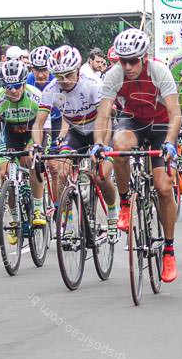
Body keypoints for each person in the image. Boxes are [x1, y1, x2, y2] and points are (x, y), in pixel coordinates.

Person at [91, 29, 182, 282]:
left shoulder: (159, 71)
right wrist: (99, 143)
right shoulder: (114, 75)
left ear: (144, 57)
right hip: (133, 122)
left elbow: (176, 113)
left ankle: (169, 250)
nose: (128, 66)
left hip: (161, 126)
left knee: (164, 188)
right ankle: (125, 202)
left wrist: (171, 143)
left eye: (133, 61)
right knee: (118, 147)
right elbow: (103, 114)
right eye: (123, 60)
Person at [32, 45, 118, 239]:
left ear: (78, 70)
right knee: (61, 171)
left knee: (101, 175)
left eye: (69, 75)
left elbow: (104, 118)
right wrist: (37, 146)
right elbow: (38, 123)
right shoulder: (51, 90)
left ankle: (113, 212)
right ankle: (67, 220)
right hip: (77, 132)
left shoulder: (92, 84)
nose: (64, 81)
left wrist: (100, 145)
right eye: (59, 76)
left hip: (101, 128)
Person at [0, 60, 46, 230]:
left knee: (32, 161)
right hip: (10, 136)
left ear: (23, 83)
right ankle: (14, 218)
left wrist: (38, 148)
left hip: (32, 133)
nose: (13, 90)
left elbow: (44, 128)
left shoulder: (35, 96)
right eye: (8, 86)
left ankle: (38, 209)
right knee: (4, 173)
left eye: (17, 86)